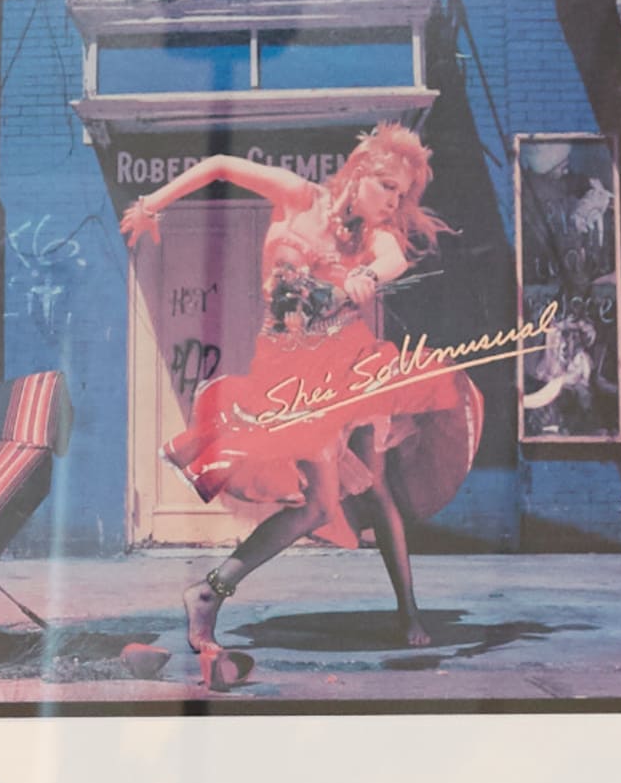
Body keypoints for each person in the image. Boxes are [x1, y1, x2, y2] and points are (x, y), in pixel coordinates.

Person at [115, 122, 481, 688]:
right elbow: (218, 165)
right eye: (387, 187)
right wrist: (152, 205)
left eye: (402, 195)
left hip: (346, 367)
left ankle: (407, 608)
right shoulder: (297, 195)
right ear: (360, 173)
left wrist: (363, 275)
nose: (393, 202)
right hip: (283, 370)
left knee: (376, 485)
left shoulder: (375, 239)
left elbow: (392, 261)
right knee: (316, 505)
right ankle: (208, 591)